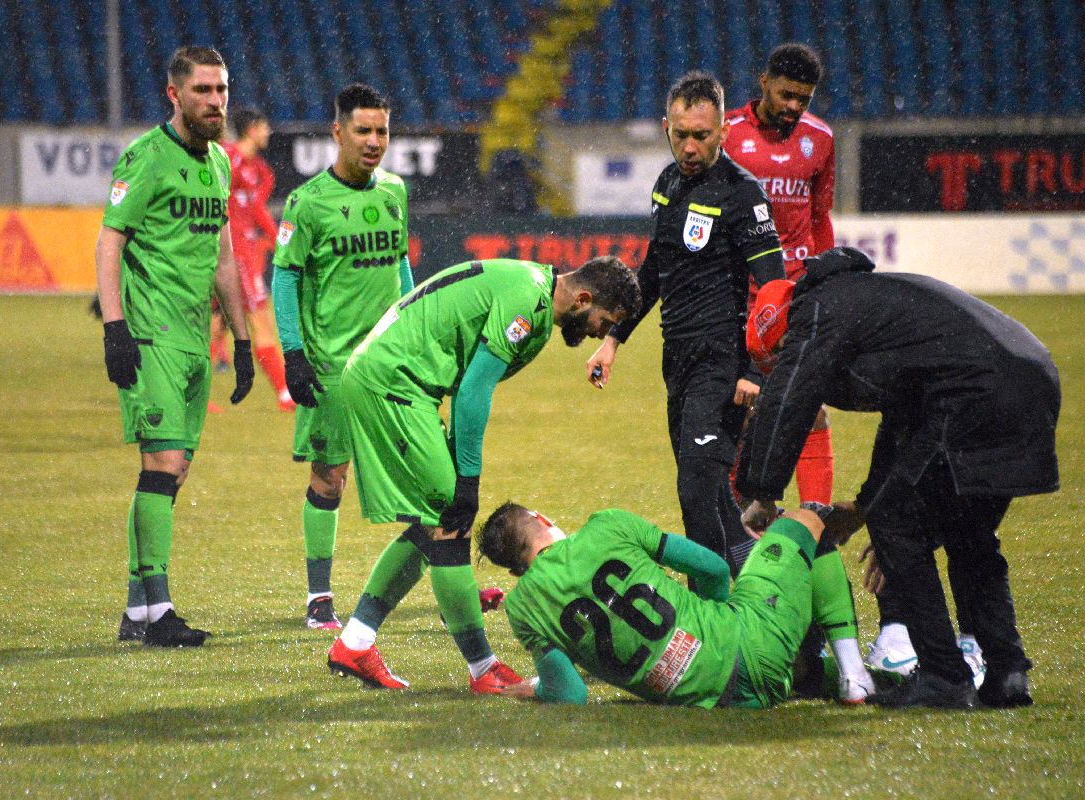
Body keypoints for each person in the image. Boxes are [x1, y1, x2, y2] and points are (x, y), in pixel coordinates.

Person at [738, 247, 1060, 709]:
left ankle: (945, 676)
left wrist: (762, 492)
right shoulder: (867, 306)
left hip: (974, 393)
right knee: (969, 533)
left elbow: (793, 396)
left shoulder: (815, 313)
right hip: (1029, 378)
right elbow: (906, 417)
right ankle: (1008, 673)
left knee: (899, 523)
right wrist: (864, 505)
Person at [327, 256, 641, 693]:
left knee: (434, 520)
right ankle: (483, 669)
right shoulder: (526, 304)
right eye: (604, 322)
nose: (599, 333)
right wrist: (469, 481)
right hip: (394, 385)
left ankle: (356, 643)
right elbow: (473, 391)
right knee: (451, 519)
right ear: (583, 299)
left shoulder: (528, 285)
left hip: (398, 381)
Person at [723, 43, 877, 702]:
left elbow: (818, 220)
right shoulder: (726, 135)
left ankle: (823, 642)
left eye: (803, 99)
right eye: (784, 94)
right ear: (763, 83)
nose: (793, 108)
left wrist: (823, 290)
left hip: (799, 305)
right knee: (742, 457)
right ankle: (771, 619)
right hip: (739, 307)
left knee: (809, 428)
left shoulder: (819, 140)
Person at [587, 72, 786, 579]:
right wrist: (613, 339)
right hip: (676, 360)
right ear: (666, 128)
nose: (690, 146)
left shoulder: (743, 195)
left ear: (723, 130)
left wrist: (756, 373)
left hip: (723, 363)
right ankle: (769, 591)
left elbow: (774, 290)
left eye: (702, 134)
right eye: (681, 134)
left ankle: (712, 615)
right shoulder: (667, 184)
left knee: (698, 490)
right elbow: (654, 272)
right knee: (714, 497)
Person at [96, 46, 253, 647]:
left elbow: (223, 257)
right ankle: (158, 611)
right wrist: (115, 328)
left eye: (221, 90)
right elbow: (109, 243)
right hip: (150, 333)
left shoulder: (218, 163)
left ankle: (136, 614)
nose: (216, 102)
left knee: (174, 471)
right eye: (204, 91)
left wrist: (241, 338)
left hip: (194, 339)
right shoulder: (146, 158)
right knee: (161, 467)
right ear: (175, 95)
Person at [271, 83, 414, 630]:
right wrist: (293, 353)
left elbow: (400, 267)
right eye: (363, 130)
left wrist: (411, 328)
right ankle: (319, 597)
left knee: (423, 472)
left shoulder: (394, 193)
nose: (375, 141)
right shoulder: (307, 204)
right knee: (331, 478)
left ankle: (450, 580)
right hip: (331, 365)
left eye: (382, 130)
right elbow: (284, 278)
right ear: (338, 132)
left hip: (388, 363)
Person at [477, 502, 828, 707]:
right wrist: (718, 633)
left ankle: (849, 677)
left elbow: (570, 694)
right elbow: (714, 569)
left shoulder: (521, 607)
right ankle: (854, 663)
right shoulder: (607, 525)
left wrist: (537, 690)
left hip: (726, 701)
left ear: (514, 570)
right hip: (751, 643)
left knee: (797, 672)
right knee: (804, 519)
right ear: (543, 519)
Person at [209, 107, 293, 412]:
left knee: (218, 321)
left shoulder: (260, 171)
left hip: (242, 252)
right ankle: (284, 393)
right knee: (256, 320)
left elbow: (256, 210)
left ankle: (284, 392)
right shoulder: (224, 157)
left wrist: (277, 240)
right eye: (265, 126)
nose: (268, 133)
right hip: (230, 253)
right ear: (252, 128)